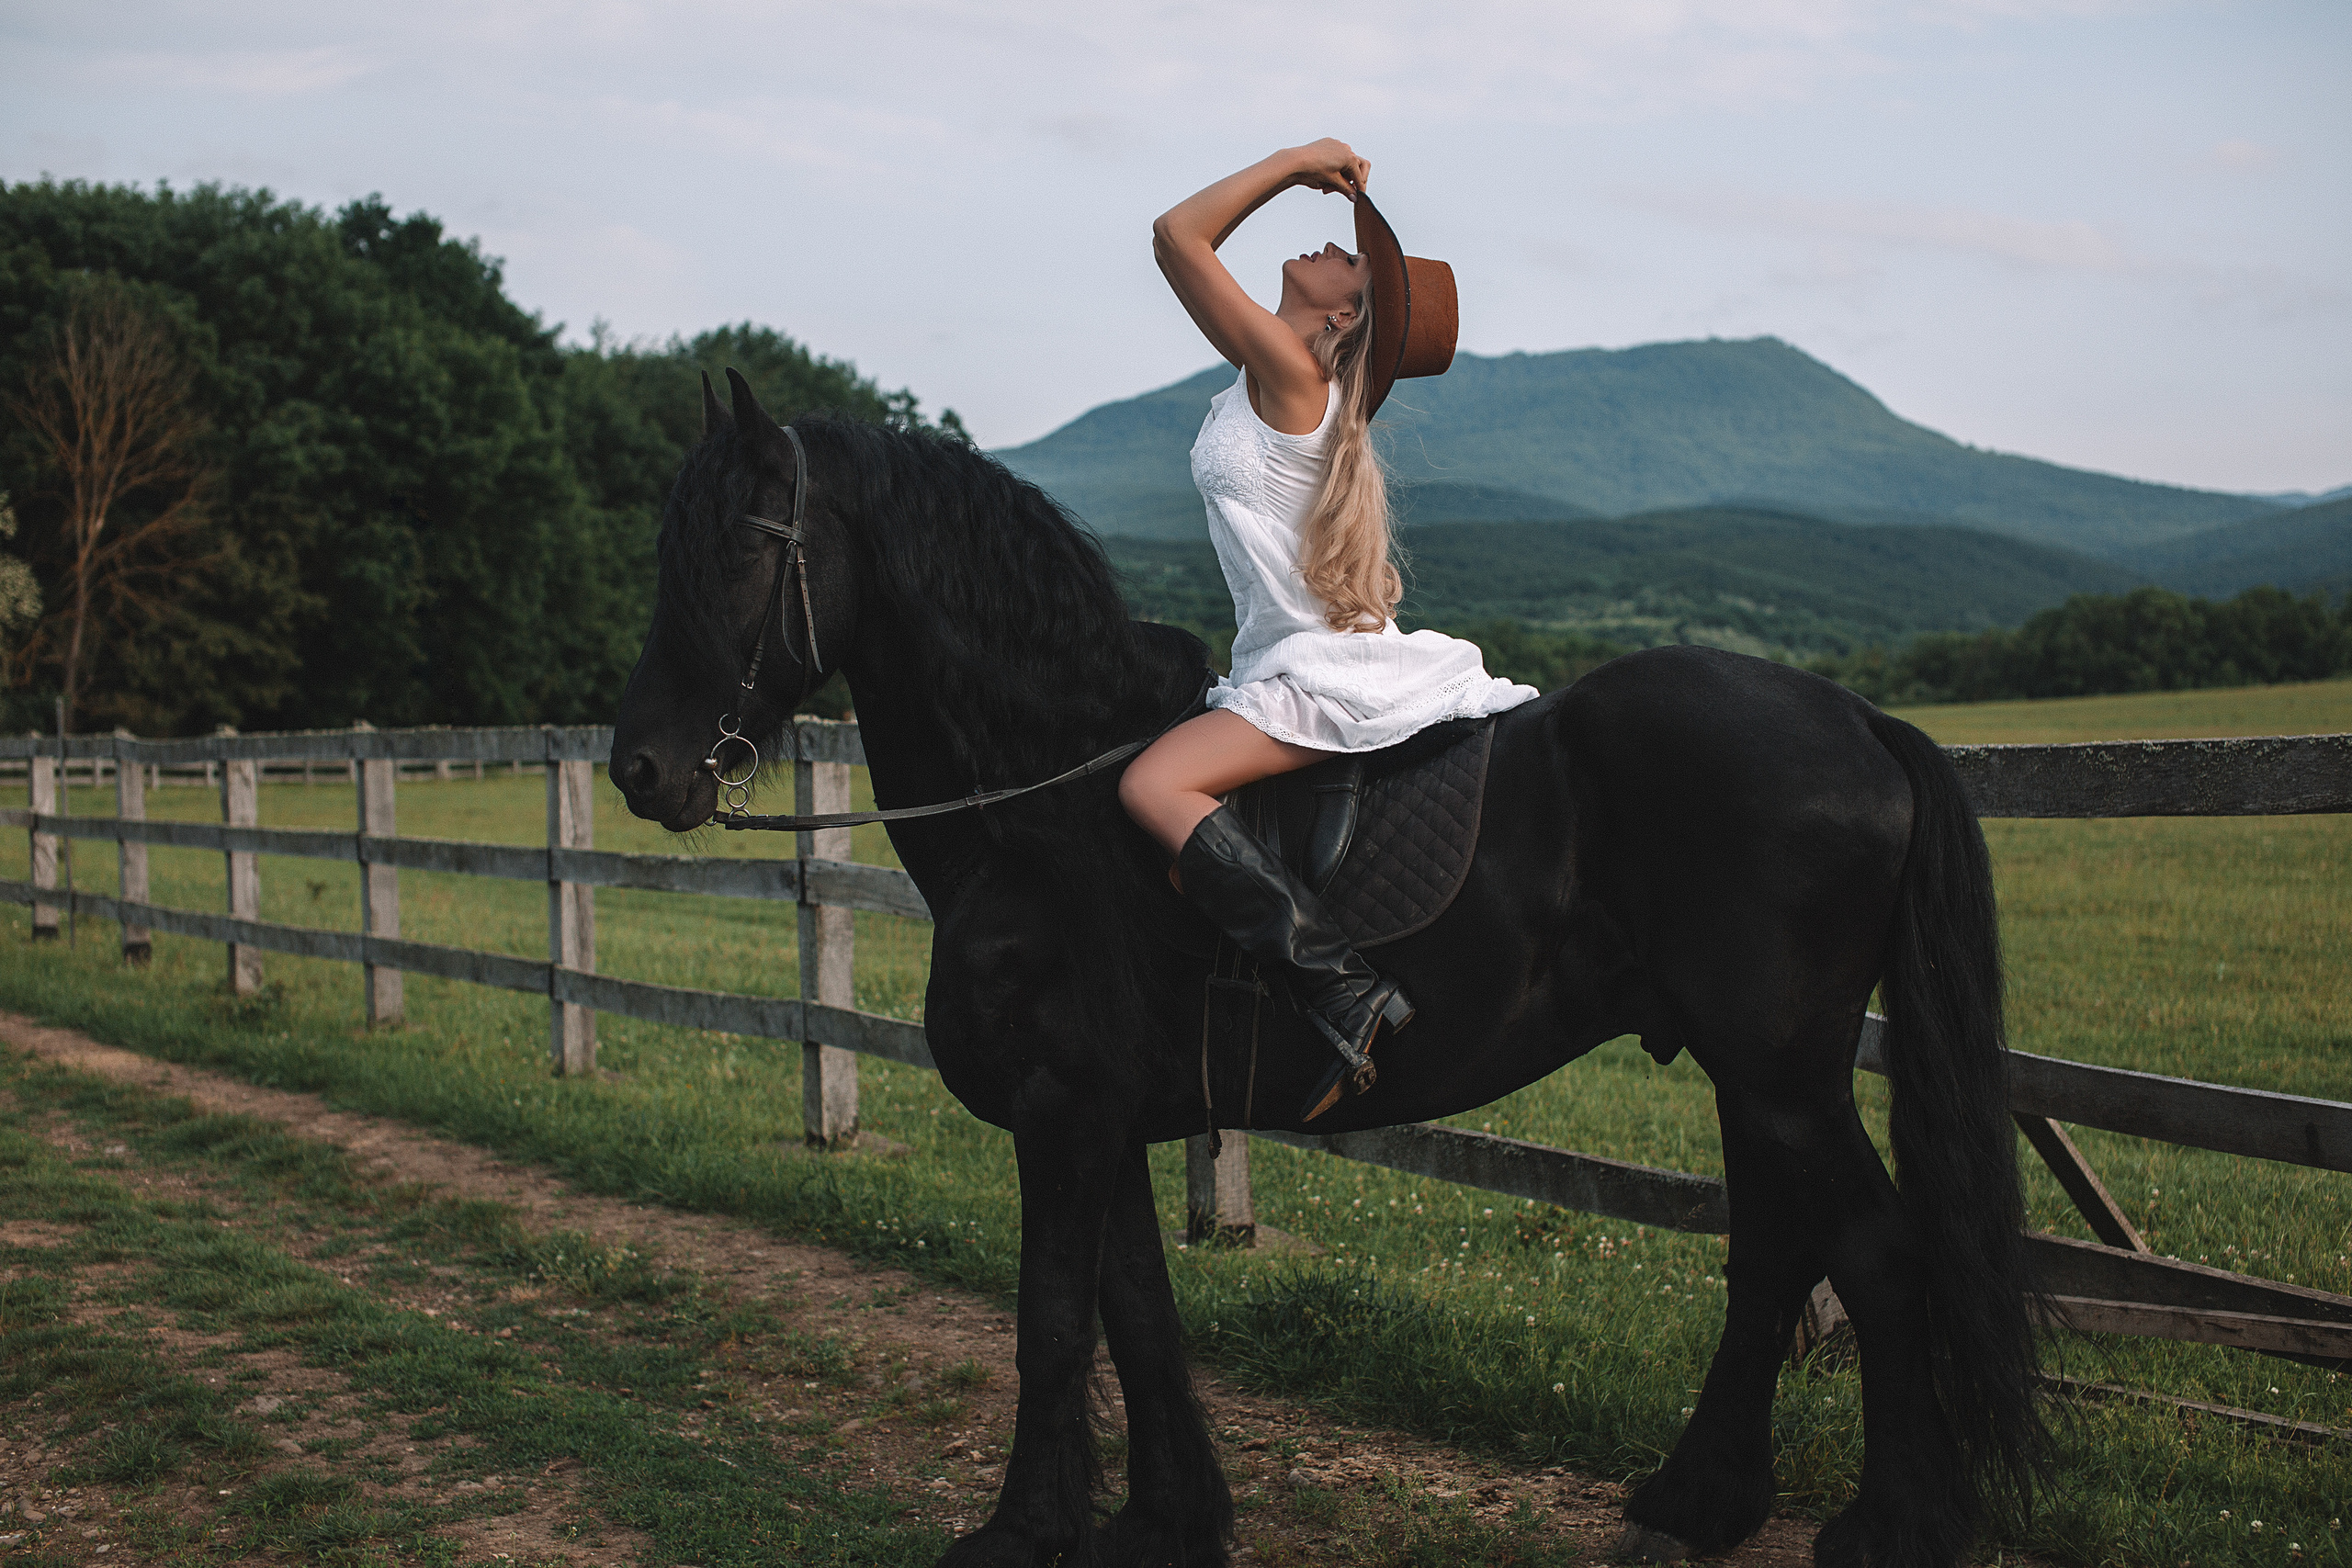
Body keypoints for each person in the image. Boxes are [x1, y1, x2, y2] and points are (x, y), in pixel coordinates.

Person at [1119, 140, 1539, 1118]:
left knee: (1153, 782)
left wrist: (1293, 161)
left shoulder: (1291, 373)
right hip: (1284, 659)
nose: (1330, 245)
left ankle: (1338, 985)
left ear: (1341, 313)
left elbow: (1176, 235)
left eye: (1349, 261)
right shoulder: (1271, 374)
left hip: (1310, 668)